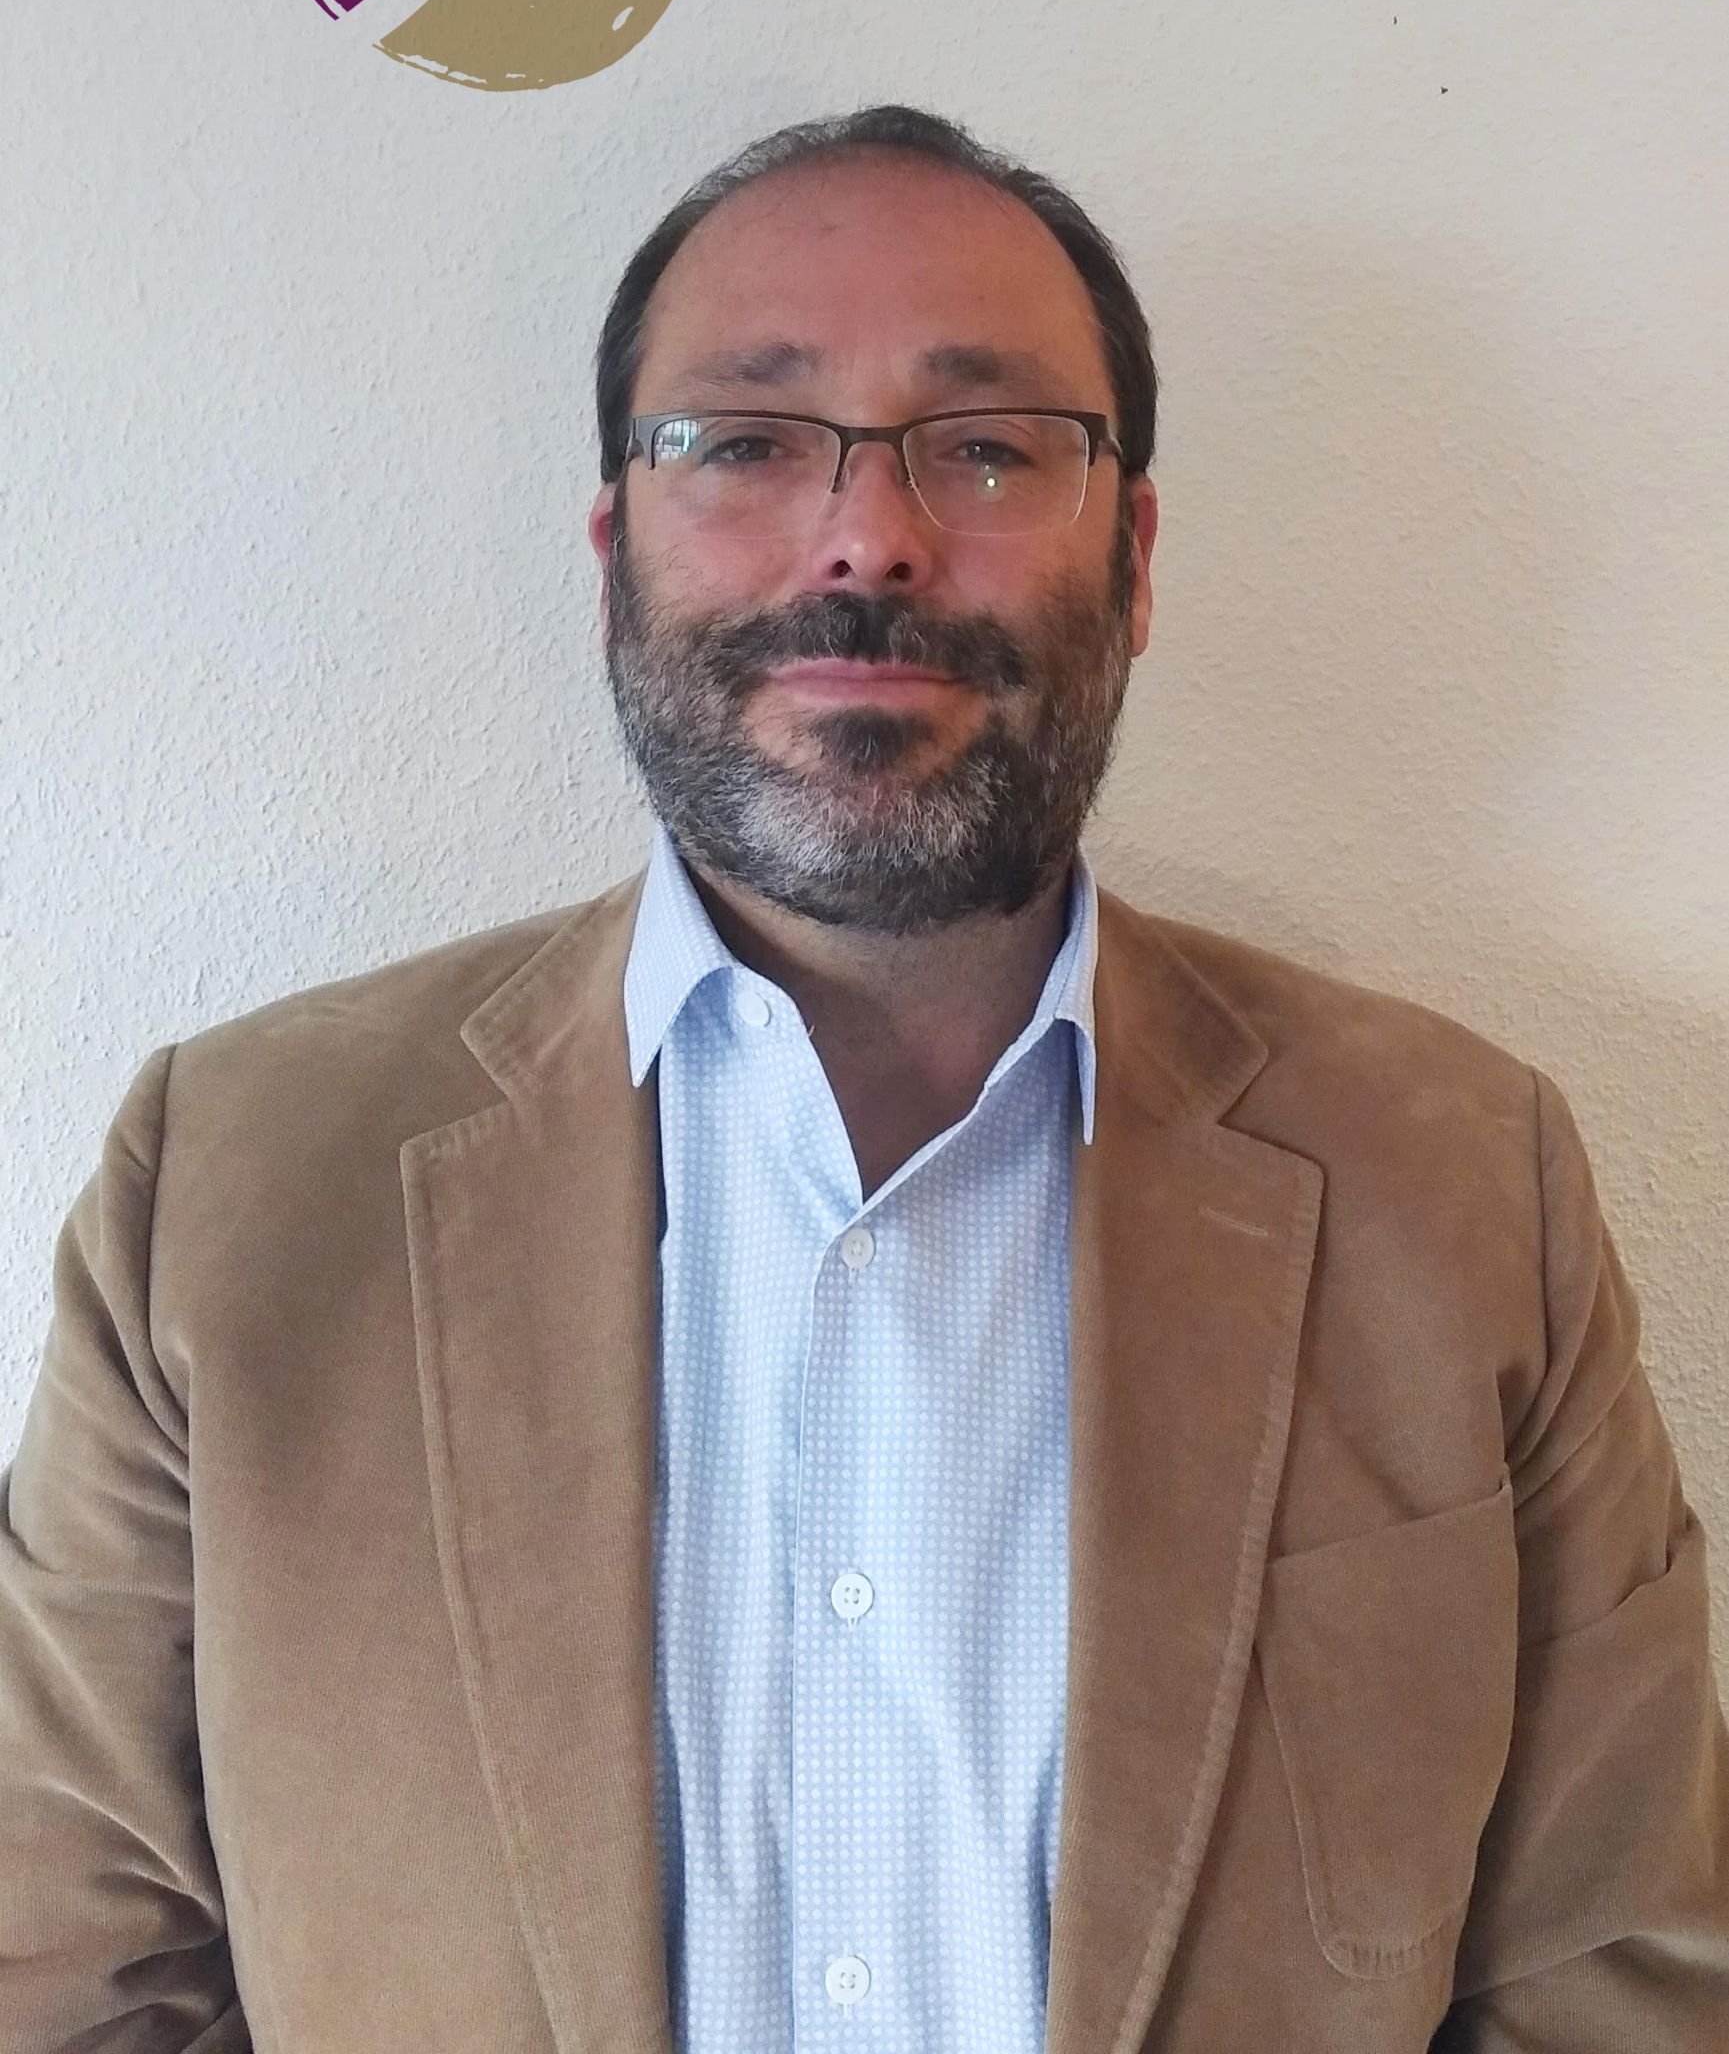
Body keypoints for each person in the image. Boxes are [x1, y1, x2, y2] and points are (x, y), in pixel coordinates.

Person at [1, 104, 1725, 2054]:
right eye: (745, 439)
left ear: (1135, 556)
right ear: (613, 553)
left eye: (986, 444)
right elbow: (71, 1977)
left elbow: (1618, 1981)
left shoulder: (1462, 1181)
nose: (869, 535)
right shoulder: (231, 1183)